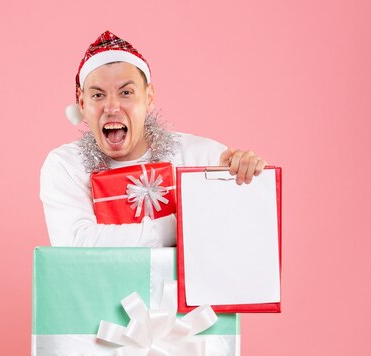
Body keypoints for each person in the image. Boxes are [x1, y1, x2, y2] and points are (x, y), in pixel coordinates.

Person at [40, 31, 266, 247]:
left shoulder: (204, 157)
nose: (111, 107)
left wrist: (246, 175)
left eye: (126, 92)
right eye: (98, 95)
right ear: (81, 103)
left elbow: (239, 235)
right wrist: (176, 226)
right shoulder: (66, 165)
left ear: (149, 97)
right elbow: (78, 244)